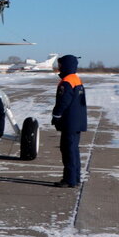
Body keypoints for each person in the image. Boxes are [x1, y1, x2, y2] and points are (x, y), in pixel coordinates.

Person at [51, 54, 88, 187]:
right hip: (77, 122)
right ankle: (75, 178)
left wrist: (56, 115)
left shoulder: (67, 81)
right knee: (73, 150)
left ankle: (69, 179)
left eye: (60, 65)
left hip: (69, 122)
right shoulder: (76, 79)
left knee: (68, 150)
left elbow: (63, 101)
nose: (59, 67)